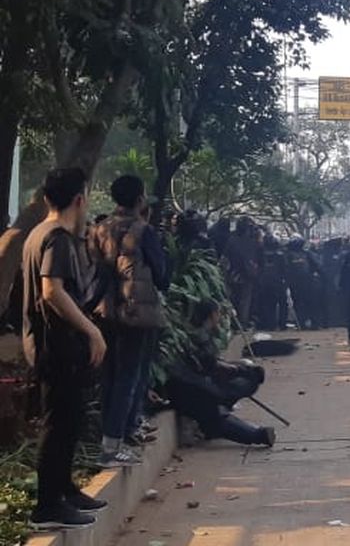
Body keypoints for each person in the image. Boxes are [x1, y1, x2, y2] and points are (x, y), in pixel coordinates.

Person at [21, 168, 109, 531]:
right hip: (55, 346)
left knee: (69, 420)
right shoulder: (56, 238)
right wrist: (93, 332)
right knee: (59, 424)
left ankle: (65, 489)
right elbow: (51, 290)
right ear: (80, 199)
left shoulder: (36, 234)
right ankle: (47, 506)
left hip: (46, 343)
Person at [92, 175, 169, 468]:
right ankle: (114, 444)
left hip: (102, 312)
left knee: (110, 375)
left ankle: (112, 438)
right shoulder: (143, 230)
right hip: (136, 313)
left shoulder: (98, 229)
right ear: (139, 200)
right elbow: (162, 275)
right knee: (129, 375)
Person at [163, 300, 274, 447]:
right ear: (213, 315)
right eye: (219, 313)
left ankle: (255, 433)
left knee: (218, 411)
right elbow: (213, 365)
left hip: (193, 385)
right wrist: (241, 370)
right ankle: (257, 435)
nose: (220, 317)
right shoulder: (199, 337)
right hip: (193, 389)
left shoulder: (195, 333)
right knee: (217, 419)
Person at [222, 217, 261, 326]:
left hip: (234, 273)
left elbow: (226, 256)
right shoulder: (251, 241)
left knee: (234, 299)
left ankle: (234, 323)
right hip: (245, 274)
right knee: (244, 300)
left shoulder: (232, 239)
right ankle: (241, 323)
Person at [283, 236, 324, 329]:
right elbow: (317, 265)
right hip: (308, 282)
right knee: (311, 302)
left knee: (298, 303)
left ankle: (302, 323)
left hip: (295, 283)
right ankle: (315, 323)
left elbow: (285, 269)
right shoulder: (307, 254)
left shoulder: (288, 255)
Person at [255, 234, 287, 330]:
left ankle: (270, 324)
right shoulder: (280, 255)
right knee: (282, 304)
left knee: (268, 304)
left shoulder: (260, 254)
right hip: (278, 282)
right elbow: (285, 269)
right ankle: (282, 324)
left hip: (265, 282)